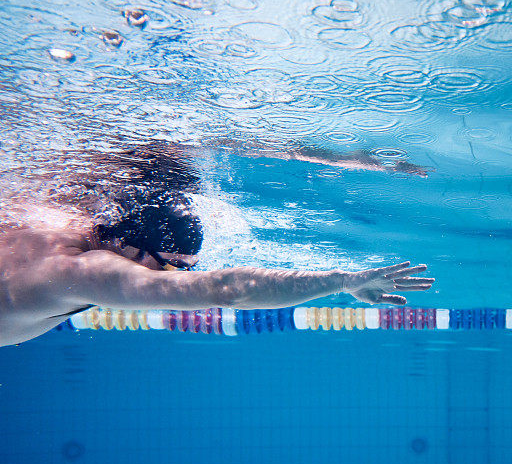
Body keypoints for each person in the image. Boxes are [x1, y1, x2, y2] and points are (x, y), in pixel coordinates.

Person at [0, 142, 434, 346]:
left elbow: (210, 142)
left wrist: (350, 159)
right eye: (171, 268)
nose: (170, 279)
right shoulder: (75, 270)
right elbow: (223, 289)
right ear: (133, 250)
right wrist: (344, 281)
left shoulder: (66, 206)